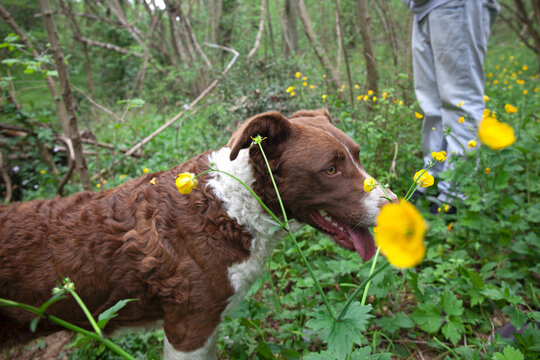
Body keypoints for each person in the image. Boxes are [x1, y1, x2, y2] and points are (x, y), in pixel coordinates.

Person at [402, 0, 500, 209]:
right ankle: (433, 180)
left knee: (460, 100)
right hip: (422, 8)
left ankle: (456, 195)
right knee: (431, 104)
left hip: (455, 4)